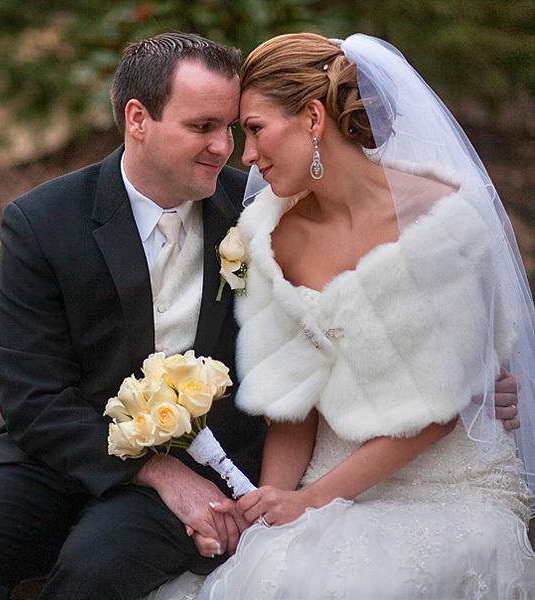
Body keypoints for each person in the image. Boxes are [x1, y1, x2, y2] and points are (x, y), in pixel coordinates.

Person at [0, 32, 269, 600]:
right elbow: (31, 394)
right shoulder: (43, 221)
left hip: (205, 457)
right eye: (202, 127)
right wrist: (155, 470)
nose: (225, 147)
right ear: (138, 119)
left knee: (94, 570)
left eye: (231, 128)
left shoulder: (255, 213)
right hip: (64, 450)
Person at [193, 32, 535, 599]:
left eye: (254, 129)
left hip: (447, 480)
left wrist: (310, 501)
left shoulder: (443, 218)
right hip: (328, 471)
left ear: (312, 117)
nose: (245, 156)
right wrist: (271, 509)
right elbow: (292, 403)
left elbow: (439, 413)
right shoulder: (271, 238)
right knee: (270, 571)